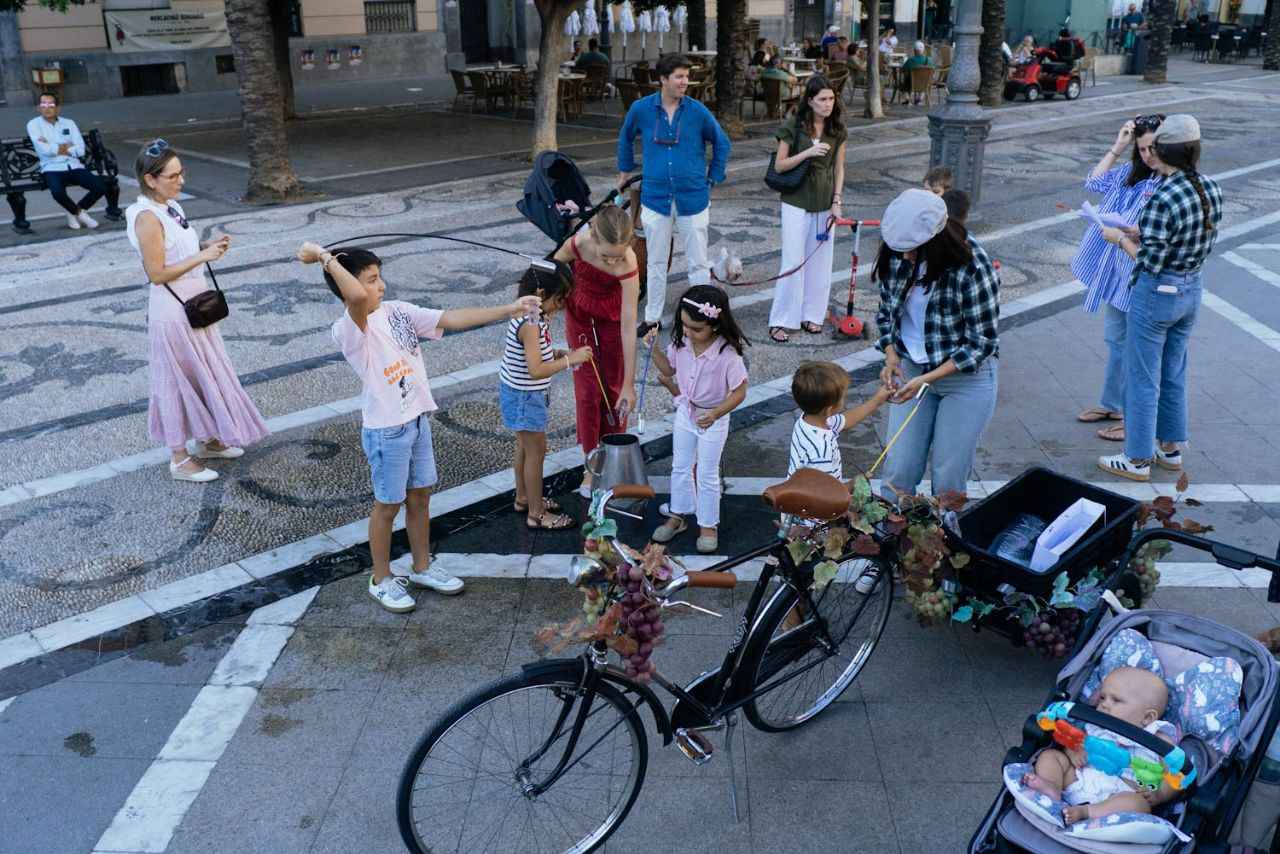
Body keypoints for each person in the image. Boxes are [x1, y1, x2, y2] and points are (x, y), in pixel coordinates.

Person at [297, 241, 539, 613]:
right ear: (350, 285)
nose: (381, 286)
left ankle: (422, 566)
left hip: (416, 419)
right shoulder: (350, 328)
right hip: (386, 430)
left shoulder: (397, 311)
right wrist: (324, 256)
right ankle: (381, 578)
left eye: (379, 277)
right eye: (372, 279)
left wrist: (510, 308)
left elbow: (451, 318)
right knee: (387, 505)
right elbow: (356, 297)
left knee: (421, 496)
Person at [125, 140, 268, 483]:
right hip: (173, 310)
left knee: (204, 373)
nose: (181, 181)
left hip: (193, 304)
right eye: (172, 176)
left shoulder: (171, 206)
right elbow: (156, 273)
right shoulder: (147, 217)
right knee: (176, 380)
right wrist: (202, 257)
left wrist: (204, 246)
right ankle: (178, 458)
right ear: (150, 179)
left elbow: (175, 250)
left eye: (181, 173)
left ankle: (208, 439)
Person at [1098, 114, 1222, 482]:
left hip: (1156, 295)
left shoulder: (1162, 196)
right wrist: (1143, 232)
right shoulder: (1210, 187)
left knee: (1142, 377)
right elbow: (1185, 237)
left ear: (1163, 151)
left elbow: (1148, 261)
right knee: (1174, 371)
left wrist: (1120, 238)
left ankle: (1136, 458)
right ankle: (1170, 449)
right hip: (1190, 289)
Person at [874, 188, 1000, 500]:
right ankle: (892, 526)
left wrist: (928, 378)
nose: (905, 257)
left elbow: (981, 343)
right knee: (898, 469)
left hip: (965, 379)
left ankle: (945, 528)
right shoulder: (897, 255)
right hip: (912, 369)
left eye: (913, 251)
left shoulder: (973, 265)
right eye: (901, 250)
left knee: (948, 478)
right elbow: (886, 314)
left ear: (936, 241)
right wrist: (891, 355)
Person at [617, 53, 731, 330]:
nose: (685, 82)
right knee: (655, 262)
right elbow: (625, 137)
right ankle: (652, 318)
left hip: (693, 197)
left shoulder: (697, 111)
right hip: (655, 198)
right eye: (679, 77)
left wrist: (713, 177)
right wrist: (624, 172)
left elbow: (722, 143)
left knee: (698, 263)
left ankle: (703, 317)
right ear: (663, 79)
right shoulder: (641, 109)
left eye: (686, 76)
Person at [1071, 116, 1165, 444]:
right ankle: (1111, 404)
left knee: (1136, 349)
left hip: (1139, 272)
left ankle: (1130, 415)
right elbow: (1093, 183)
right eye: (1142, 149)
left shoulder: (1168, 184)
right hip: (1115, 270)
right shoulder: (1130, 173)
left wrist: (1130, 232)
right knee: (1115, 341)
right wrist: (1119, 145)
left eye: (1153, 148)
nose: (1148, 155)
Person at [649, 286, 750, 554]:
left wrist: (716, 413)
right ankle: (678, 513)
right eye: (684, 325)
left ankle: (708, 525)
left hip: (714, 417)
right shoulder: (681, 343)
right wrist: (653, 348)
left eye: (696, 328)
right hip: (686, 412)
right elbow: (669, 368)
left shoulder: (727, 354)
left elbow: (740, 391)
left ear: (715, 325)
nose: (688, 332)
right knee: (680, 465)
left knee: (706, 473)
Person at [552, 205, 642, 496]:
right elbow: (555, 267)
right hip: (579, 312)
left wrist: (629, 383)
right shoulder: (579, 243)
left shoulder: (629, 263)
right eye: (606, 257)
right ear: (593, 237)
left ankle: (613, 459)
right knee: (588, 393)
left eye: (618, 256)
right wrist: (561, 295)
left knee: (615, 391)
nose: (613, 262)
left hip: (613, 317)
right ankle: (591, 466)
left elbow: (629, 324)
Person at [501, 264, 594, 530]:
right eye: (559, 299)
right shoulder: (530, 323)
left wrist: (555, 354)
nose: (561, 306)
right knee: (536, 452)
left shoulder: (531, 313)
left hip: (521, 393)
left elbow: (533, 355)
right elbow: (536, 370)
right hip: (525, 396)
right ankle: (536, 513)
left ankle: (523, 498)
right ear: (541, 293)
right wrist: (570, 360)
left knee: (525, 448)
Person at [1022, 667, 1180, 824]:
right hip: (1079, 781)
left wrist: (1160, 794)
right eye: (1102, 698)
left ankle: (1086, 812)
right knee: (1051, 756)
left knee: (1139, 804)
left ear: (1147, 717)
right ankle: (1052, 787)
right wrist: (1074, 752)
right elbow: (1073, 743)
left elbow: (1177, 774)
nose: (1104, 704)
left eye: (1116, 700)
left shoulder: (1159, 739)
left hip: (1118, 798)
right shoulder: (1097, 724)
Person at [767, 74, 847, 343]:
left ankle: (812, 314)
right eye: (822, 99)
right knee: (792, 260)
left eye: (831, 98)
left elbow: (839, 168)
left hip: (824, 201)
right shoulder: (793, 126)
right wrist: (807, 153)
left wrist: (837, 201)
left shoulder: (837, 129)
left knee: (821, 261)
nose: (828, 104)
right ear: (810, 101)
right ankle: (782, 319)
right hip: (796, 200)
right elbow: (780, 165)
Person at [27, 92, 109, 231]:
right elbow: (44, 150)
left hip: (73, 165)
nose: (47, 108)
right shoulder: (33, 125)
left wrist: (54, 146)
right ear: (38, 108)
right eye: (43, 105)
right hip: (51, 167)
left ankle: (73, 211)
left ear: (58, 108)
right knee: (57, 192)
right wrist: (68, 146)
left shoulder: (69, 123)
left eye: (51, 104)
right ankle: (80, 214)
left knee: (100, 187)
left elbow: (80, 150)